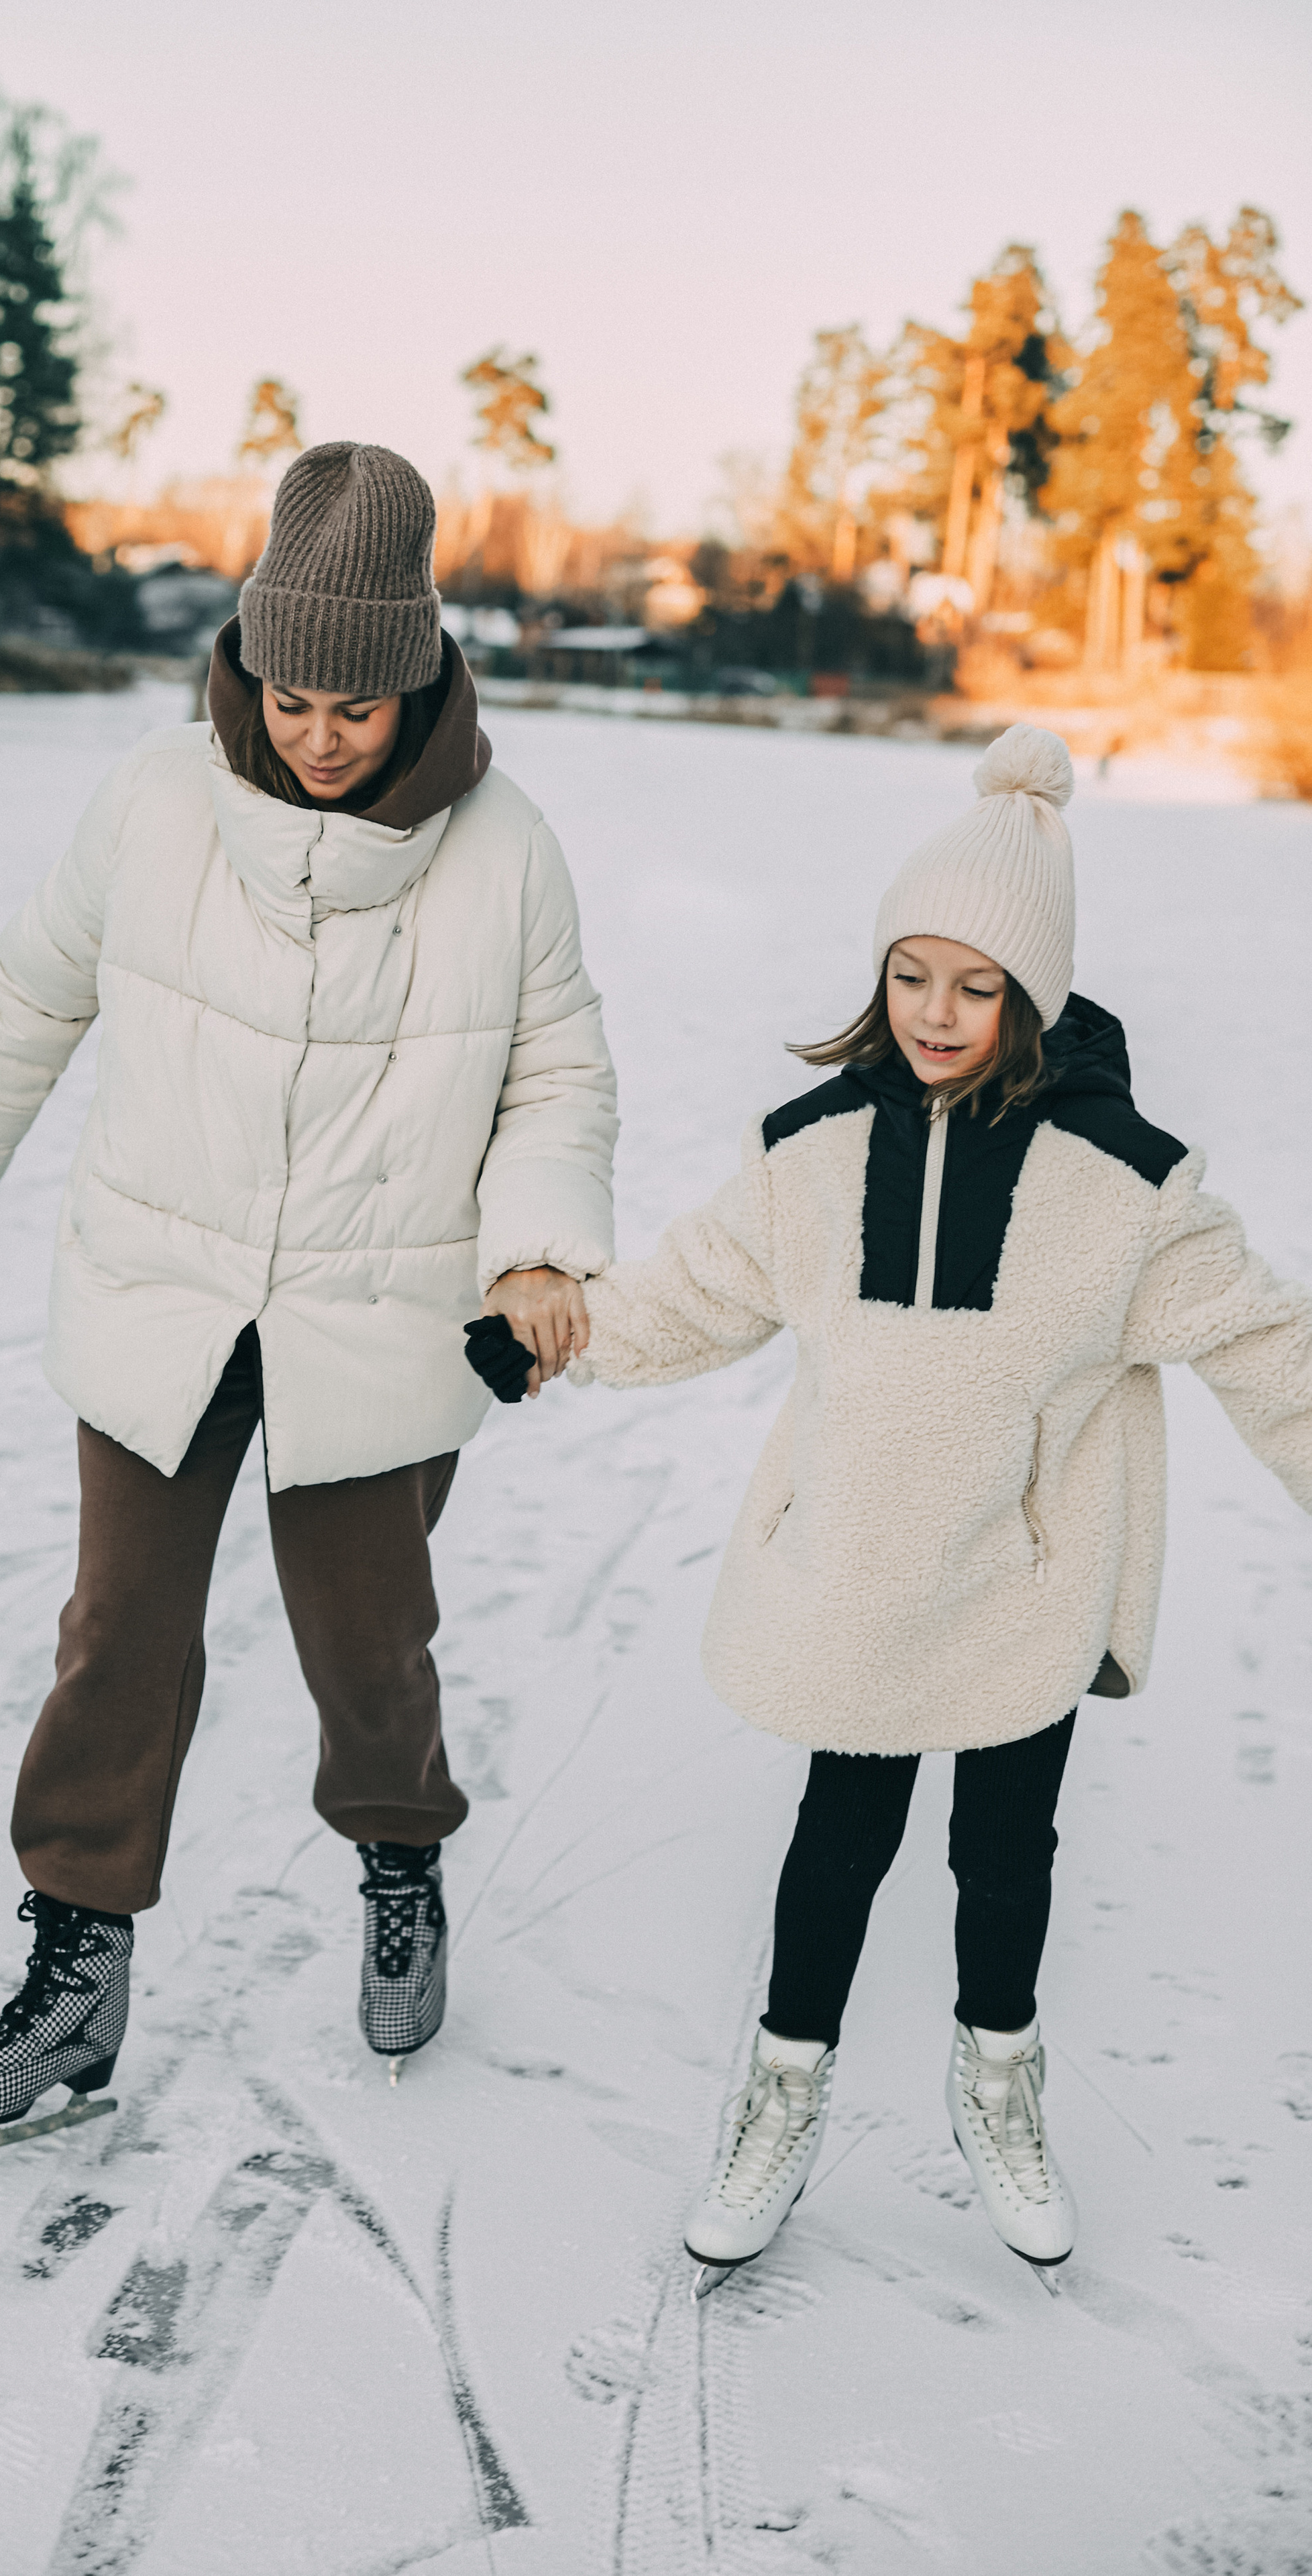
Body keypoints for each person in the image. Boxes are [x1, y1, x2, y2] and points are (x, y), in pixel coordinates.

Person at [483, 722, 1312, 2273]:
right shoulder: (812, 1152)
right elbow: (690, 1294)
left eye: (976, 985)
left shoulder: (1122, 1189)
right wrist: (551, 1333)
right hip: (852, 1575)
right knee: (834, 1844)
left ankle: (997, 2079)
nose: (935, 1013)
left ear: (1032, 997)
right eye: (910, 974)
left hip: (1020, 1582)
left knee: (1003, 1857)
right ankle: (782, 2092)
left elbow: (1270, 1348)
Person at [0, 443, 616, 2147]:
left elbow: (555, 1073)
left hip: (374, 1317)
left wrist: (533, 1251)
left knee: (367, 1649)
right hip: (164, 1286)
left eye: (357, 704)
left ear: (421, 679)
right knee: (115, 1640)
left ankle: (400, 1865)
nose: (317, 732)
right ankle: (76, 1969)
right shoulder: (155, 800)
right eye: (291, 693)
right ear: (246, 665)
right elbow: (42, 976)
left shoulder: (502, 849)